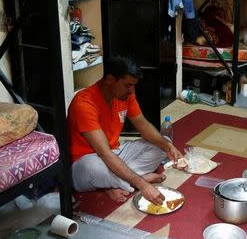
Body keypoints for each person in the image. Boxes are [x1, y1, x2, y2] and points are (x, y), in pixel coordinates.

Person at [68, 56, 183, 204]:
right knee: (94, 168)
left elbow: (142, 124)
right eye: (128, 85)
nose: (132, 90)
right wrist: (143, 184)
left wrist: (169, 146)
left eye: (134, 85)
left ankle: (115, 183)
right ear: (110, 79)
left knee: (163, 143)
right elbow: (104, 153)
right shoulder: (84, 104)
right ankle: (134, 180)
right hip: (86, 162)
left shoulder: (125, 95)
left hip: (116, 152)